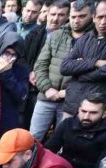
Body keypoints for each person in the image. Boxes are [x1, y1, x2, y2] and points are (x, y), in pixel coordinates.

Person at [31, 0, 93, 139]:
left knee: (63, 142)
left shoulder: (94, 40)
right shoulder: (56, 35)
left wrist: (69, 92)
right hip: (46, 96)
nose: (76, 21)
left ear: (91, 16)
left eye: (82, 16)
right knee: (33, 139)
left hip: (72, 101)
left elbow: (93, 74)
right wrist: (47, 88)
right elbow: (40, 64)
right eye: (73, 16)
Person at [45, 94, 106, 168]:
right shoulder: (67, 124)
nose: (86, 116)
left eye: (93, 113)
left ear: (104, 114)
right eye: (83, 111)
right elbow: (48, 151)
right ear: (78, 109)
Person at [24, 0, 70, 128]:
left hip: (58, 93)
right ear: (46, 14)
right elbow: (22, 58)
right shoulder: (33, 34)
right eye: (52, 14)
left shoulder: (72, 38)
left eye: (61, 15)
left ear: (67, 17)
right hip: (33, 89)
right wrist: (29, 72)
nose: (55, 19)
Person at [60, 0, 106, 119]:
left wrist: (79, 74)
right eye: (100, 17)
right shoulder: (84, 39)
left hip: (98, 109)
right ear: (94, 17)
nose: (103, 22)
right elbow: (65, 66)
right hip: (72, 104)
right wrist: (95, 63)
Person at [0, 32, 31, 136]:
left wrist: (7, 74)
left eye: (13, 54)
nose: (9, 57)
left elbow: (22, 95)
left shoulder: (22, 70)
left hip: (8, 117)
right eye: (6, 53)